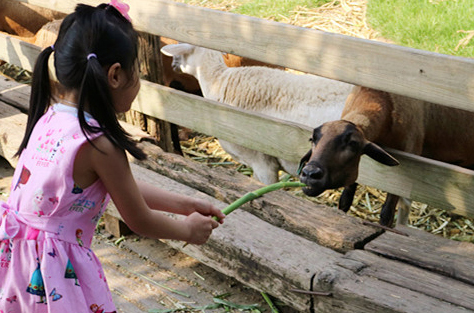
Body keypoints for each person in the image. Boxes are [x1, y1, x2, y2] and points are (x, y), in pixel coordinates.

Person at [0, 2, 225, 312]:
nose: (140, 81)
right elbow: (138, 218)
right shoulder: (100, 144)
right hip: (54, 275)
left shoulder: (50, 117)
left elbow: (105, 189)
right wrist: (187, 231)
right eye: (140, 72)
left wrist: (182, 204)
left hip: (17, 260)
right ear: (116, 75)